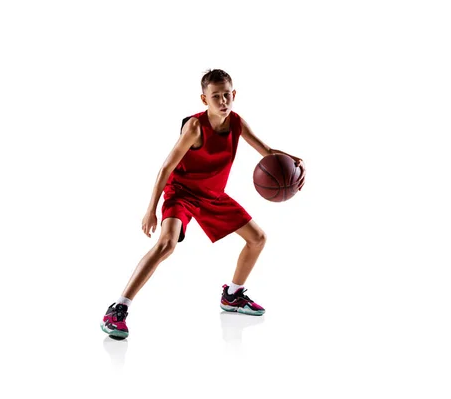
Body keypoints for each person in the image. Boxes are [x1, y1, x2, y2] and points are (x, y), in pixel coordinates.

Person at [100, 69, 305, 340]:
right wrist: (151, 208)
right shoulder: (195, 128)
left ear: (235, 95)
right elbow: (165, 168)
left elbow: (266, 152)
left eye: (227, 95)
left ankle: (232, 295)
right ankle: (118, 309)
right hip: (182, 193)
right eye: (216, 96)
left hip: (213, 195)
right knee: (166, 245)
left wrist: (294, 162)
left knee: (258, 238)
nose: (223, 101)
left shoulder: (237, 123)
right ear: (204, 99)